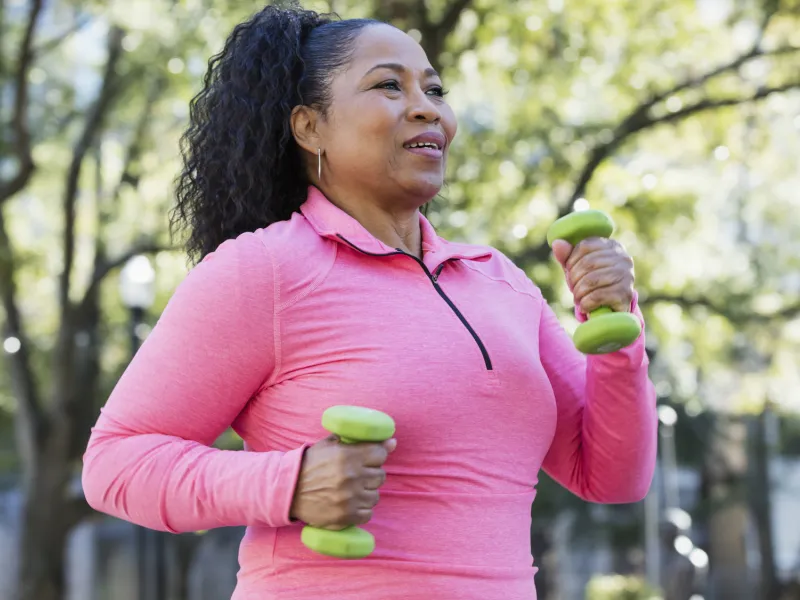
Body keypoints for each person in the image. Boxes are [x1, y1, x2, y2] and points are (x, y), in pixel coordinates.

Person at [81, 4, 657, 599]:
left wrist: (618, 326)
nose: (426, 105)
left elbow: (612, 476)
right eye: (388, 85)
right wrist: (290, 482)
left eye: (435, 89)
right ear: (310, 128)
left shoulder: (501, 284)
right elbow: (115, 464)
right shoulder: (266, 270)